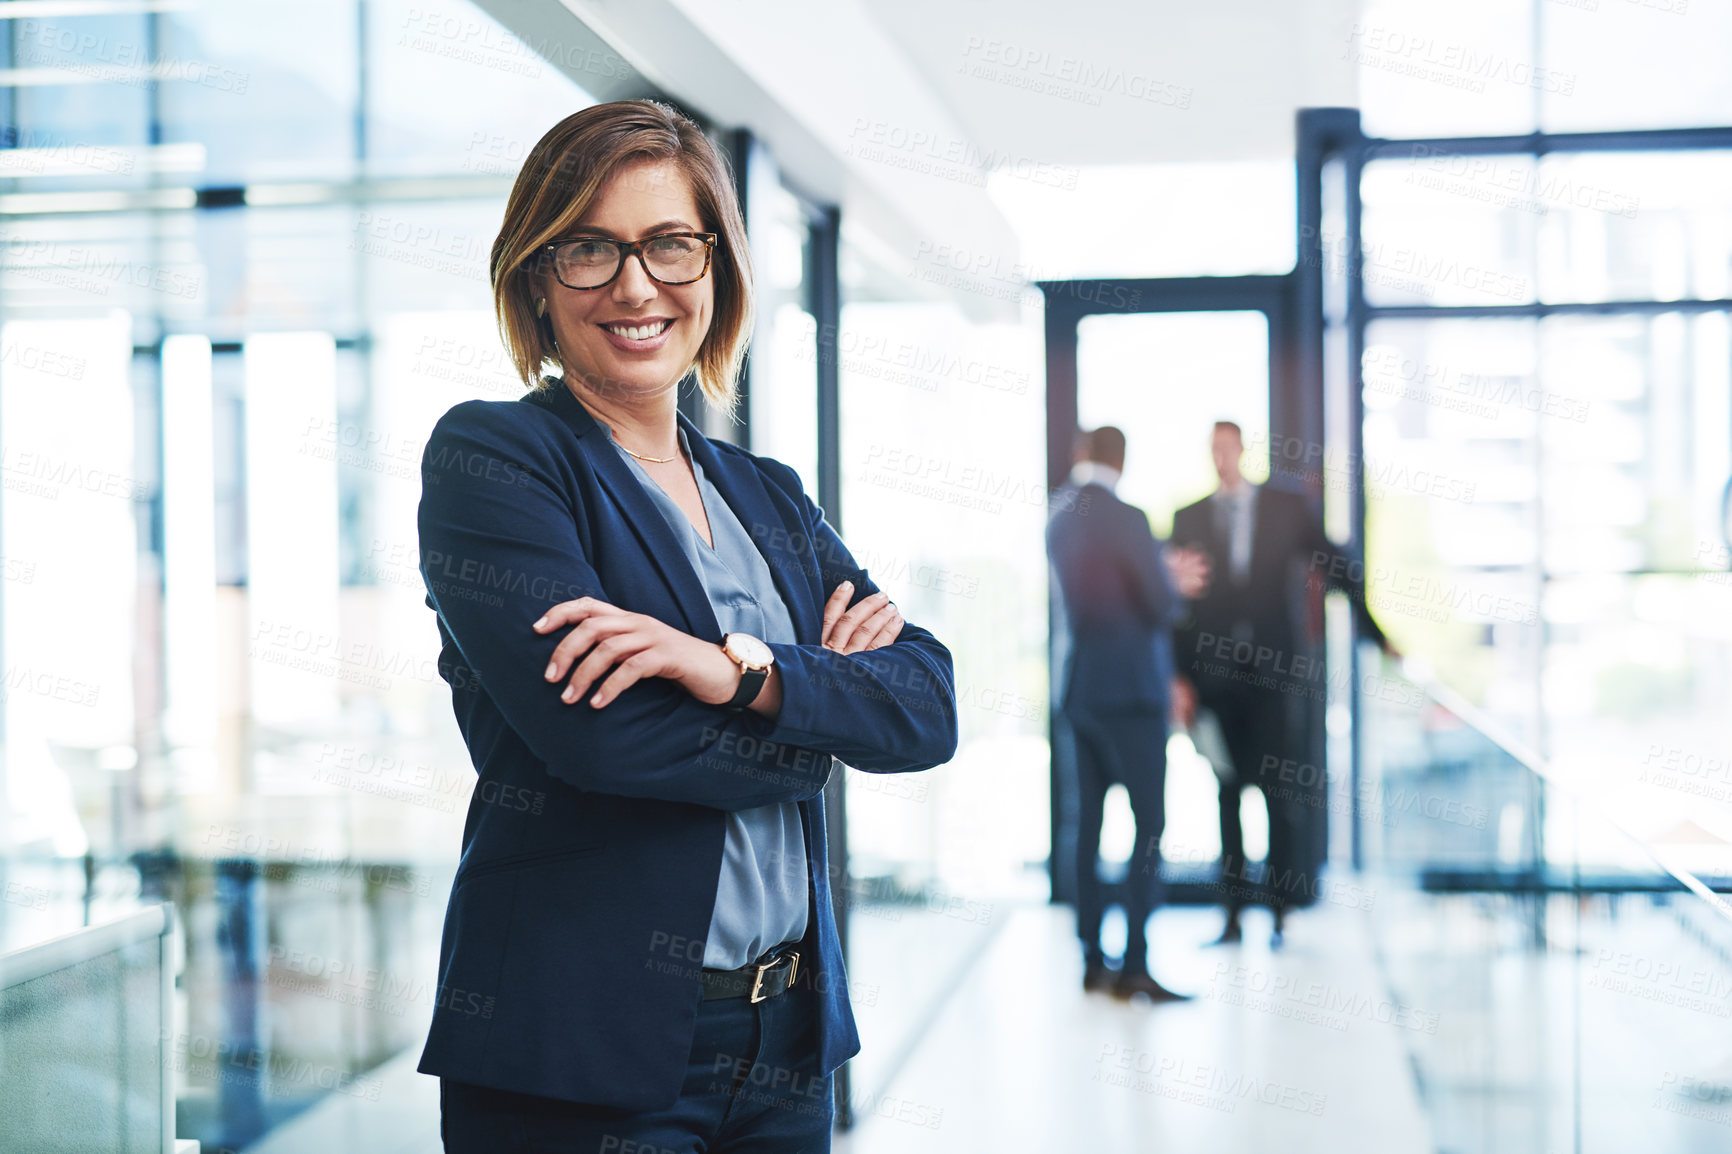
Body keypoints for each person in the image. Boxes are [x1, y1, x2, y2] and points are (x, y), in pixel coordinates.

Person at [416, 100, 959, 1153]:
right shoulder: (499, 462)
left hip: (786, 1045)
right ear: (537, 273)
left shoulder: (766, 494)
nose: (635, 284)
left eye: (671, 243)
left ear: (715, 269)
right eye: (589, 247)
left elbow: (927, 702)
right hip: (583, 1052)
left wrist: (732, 672)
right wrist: (816, 720)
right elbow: (603, 736)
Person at [1171, 420, 1393, 948]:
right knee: (1225, 791)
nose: (1221, 457)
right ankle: (1230, 913)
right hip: (1215, 678)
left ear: (1242, 450)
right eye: (1213, 450)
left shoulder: (1285, 507)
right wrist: (1180, 677)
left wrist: (1376, 633)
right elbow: (1175, 606)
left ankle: (1279, 912)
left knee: (1277, 791)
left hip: (1274, 673)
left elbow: (1338, 566)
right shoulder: (1189, 517)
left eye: (1228, 448)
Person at [1047, 426, 1208, 1000]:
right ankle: (1136, 964)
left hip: (1080, 691)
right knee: (1147, 828)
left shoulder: (1058, 516)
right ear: (1123, 459)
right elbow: (1158, 603)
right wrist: (1170, 580)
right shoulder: (1131, 519)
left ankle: (1093, 962)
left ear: (1080, 454)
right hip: (1133, 697)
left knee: (1084, 828)